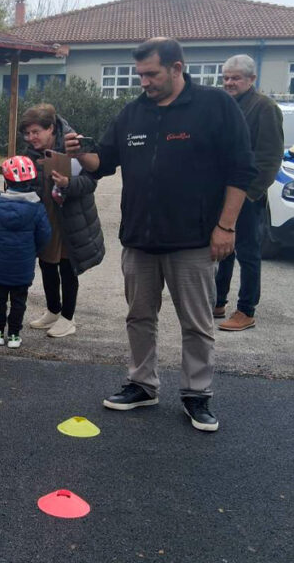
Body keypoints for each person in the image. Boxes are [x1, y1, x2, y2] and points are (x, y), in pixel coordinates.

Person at [71, 37, 257, 432]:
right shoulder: (133, 112)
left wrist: (226, 226)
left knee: (197, 323)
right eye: (140, 75)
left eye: (151, 74)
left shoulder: (215, 106)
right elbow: (103, 160)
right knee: (139, 316)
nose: (144, 82)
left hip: (193, 239)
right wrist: (77, 153)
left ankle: (196, 394)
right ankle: (142, 384)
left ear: (177, 68)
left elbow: (242, 170)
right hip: (139, 239)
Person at [20, 104, 105, 339]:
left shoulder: (75, 144)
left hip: (71, 218)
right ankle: (53, 310)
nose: (31, 138)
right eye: (27, 133)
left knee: (68, 268)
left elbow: (91, 182)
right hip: (46, 216)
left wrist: (67, 183)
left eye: (35, 132)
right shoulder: (30, 152)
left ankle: (68, 318)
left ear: (51, 128)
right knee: (47, 264)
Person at [214, 54, 284, 332]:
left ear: (252, 79)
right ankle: (218, 301)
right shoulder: (224, 105)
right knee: (222, 249)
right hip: (221, 193)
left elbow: (269, 159)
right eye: (226, 78)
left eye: (236, 78)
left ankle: (246, 310)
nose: (229, 83)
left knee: (248, 253)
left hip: (247, 196)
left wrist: (249, 194)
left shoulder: (265, 108)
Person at [0, 156, 52, 349]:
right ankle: (15, 334)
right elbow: (45, 236)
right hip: (23, 265)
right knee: (19, 300)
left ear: (6, 182)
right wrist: (33, 251)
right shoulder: (37, 208)